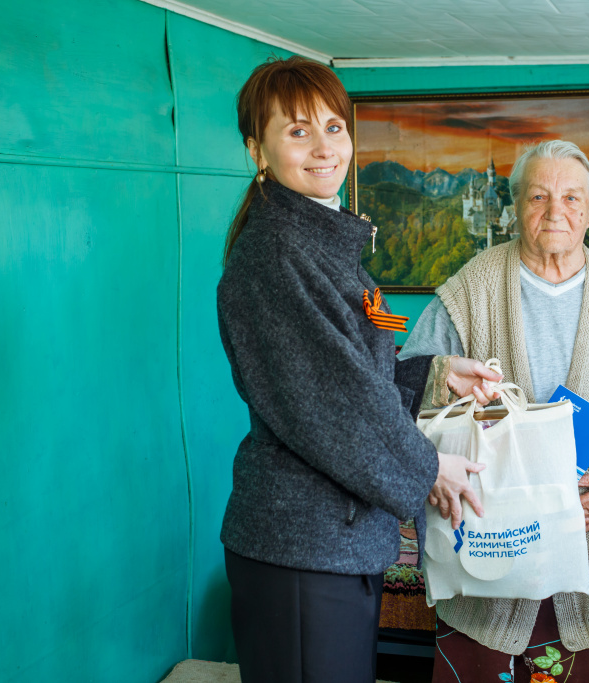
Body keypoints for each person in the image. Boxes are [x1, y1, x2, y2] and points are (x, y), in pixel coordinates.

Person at [215, 56, 501, 683]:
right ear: (255, 150)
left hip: (336, 543)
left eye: (334, 127)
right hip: (301, 548)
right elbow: (335, 403)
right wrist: (429, 468)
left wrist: (437, 371)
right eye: (297, 131)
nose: (324, 148)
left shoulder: (326, 243)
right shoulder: (275, 257)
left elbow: (363, 354)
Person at [400, 140, 589, 683]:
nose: (555, 211)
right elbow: (408, 381)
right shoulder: (472, 287)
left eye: (572, 197)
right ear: (516, 204)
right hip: (486, 542)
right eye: (539, 196)